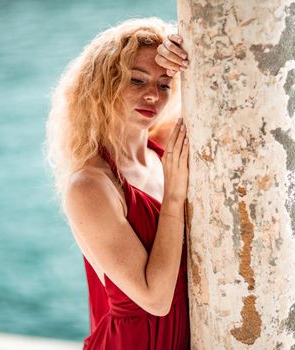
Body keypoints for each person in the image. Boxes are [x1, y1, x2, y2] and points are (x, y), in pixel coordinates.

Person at [44, 18, 190, 349]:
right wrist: (173, 198)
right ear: (104, 86)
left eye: (164, 84)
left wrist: (180, 49)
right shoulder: (90, 186)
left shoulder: (164, 149)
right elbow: (154, 300)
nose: (153, 94)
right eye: (137, 81)